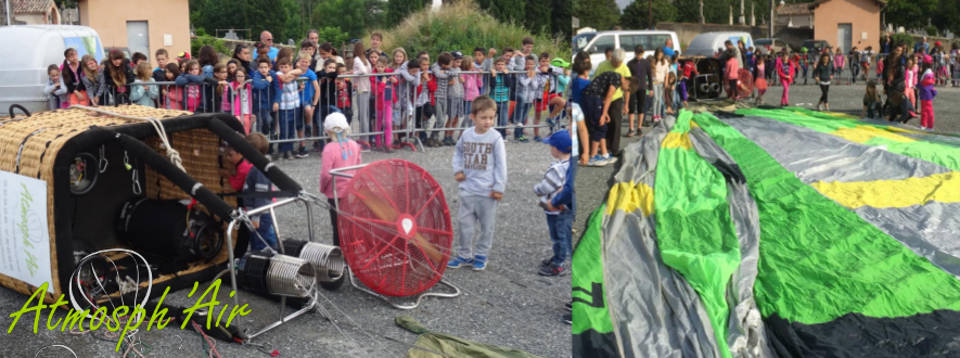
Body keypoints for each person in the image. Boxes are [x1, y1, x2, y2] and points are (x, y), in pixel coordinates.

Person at [449, 95, 507, 271]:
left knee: (486, 227)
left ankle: (481, 255)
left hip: (487, 192)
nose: (488, 121)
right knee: (464, 225)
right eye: (484, 118)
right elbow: (458, 153)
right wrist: (458, 170)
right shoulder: (466, 134)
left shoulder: (496, 138)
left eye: (491, 117)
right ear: (473, 117)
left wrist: (499, 187)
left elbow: (501, 165)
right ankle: (464, 254)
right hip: (468, 189)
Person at [319, 112, 363, 246]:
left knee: (337, 226)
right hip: (352, 191)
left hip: (336, 192)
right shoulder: (354, 145)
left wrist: (322, 188)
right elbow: (359, 167)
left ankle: (340, 252)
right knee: (352, 223)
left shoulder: (329, 149)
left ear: (328, 131)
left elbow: (326, 174)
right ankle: (353, 250)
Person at [534, 129, 573, 277]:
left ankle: (559, 263)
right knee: (562, 233)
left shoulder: (557, 169)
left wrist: (536, 189)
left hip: (554, 207)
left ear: (556, 149)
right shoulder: (570, 165)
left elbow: (545, 187)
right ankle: (558, 256)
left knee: (558, 235)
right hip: (566, 207)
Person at [241, 133, 278, 251]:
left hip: (260, 215)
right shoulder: (259, 167)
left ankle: (264, 266)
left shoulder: (259, 170)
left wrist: (256, 218)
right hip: (259, 214)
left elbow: (260, 196)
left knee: (261, 245)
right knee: (266, 240)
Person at [591, 48, 630, 157]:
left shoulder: (625, 68)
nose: (618, 64)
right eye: (616, 62)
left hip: (616, 98)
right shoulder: (603, 65)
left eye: (620, 62)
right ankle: (604, 146)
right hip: (602, 97)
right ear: (612, 58)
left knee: (616, 123)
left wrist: (626, 104)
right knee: (602, 122)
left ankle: (614, 149)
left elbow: (627, 88)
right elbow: (594, 81)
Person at [581, 68, 622, 167]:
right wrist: (603, 114)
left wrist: (605, 113)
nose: (623, 90)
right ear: (627, 83)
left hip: (594, 98)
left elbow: (605, 98)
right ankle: (593, 156)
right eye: (626, 89)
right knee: (599, 126)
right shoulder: (617, 79)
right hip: (593, 98)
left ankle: (604, 154)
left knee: (603, 126)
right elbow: (608, 97)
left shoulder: (614, 76)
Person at [272, 57, 304, 159]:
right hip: (284, 106)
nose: (284, 69)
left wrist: (291, 74)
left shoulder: (292, 72)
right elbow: (285, 80)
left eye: (286, 67)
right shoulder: (278, 74)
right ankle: (282, 150)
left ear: (290, 67)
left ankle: (289, 150)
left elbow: (300, 71)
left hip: (295, 105)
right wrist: (292, 75)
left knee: (291, 129)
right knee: (284, 129)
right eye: (281, 67)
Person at [294, 55, 320, 158]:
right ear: (298, 62)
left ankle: (308, 125)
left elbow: (317, 89)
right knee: (299, 125)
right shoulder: (295, 72)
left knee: (308, 110)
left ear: (309, 63)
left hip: (307, 100)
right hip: (296, 100)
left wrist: (314, 104)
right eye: (302, 61)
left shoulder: (311, 73)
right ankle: (302, 146)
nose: (304, 64)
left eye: (306, 62)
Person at [512, 55, 542, 142]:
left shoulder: (534, 73)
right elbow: (524, 83)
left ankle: (521, 134)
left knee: (524, 117)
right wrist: (530, 77)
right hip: (522, 98)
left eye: (531, 64)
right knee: (520, 117)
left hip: (530, 98)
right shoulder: (521, 73)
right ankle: (517, 135)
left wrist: (532, 77)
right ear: (525, 64)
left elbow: (535, 86)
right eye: (528, 64)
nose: (529, 66)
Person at [372, 55, 396, 152]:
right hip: (379, 103)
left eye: (382, 66)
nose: (380, 69)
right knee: (378, 123)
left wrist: (395, 80)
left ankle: (388, 144)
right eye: (378, 66)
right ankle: (378, 143)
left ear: (385, 66)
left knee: (388, 123)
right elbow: (376, 91)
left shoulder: (389, 73)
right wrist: (382, 83)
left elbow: (395, 80)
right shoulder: (373, 77)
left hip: (388, 101)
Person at [352, 42, 373, 146]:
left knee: (363, 115)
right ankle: (364, 138)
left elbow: (363, 71)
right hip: (367, 88)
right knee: (364, 114)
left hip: (361, 88)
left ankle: (364, 139)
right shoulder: (365, 60)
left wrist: (353, 73)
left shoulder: (357, 59)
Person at [442, 51, 464, 146]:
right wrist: (448, 83)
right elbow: (443, 81)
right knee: (450, 117)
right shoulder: (448, 69)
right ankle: (446, 136)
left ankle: (451, 135)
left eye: (460, 62)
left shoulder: (459, 69)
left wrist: (462, 80)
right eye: (456, 61)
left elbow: (461, 79)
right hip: (451, 95)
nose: (458, 64)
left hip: (459, 95)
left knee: (456, 117)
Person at [252, 57, 276, 140]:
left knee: (272, 122)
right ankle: (263, 137)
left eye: (265, 67)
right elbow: (258, 85)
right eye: (261, 67)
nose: (263, 69)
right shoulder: (256, 74)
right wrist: (267, 81)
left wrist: (277, 101)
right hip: (261, 104)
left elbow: (278, 87)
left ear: (269, 67)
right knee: (265, 121)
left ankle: (270, 141)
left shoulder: (272, 74)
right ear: (258, 68)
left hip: (272, 103)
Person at [489, 57, 513, 138]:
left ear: (505, 66)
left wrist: (506, 75)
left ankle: (502, 136)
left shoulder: (506, 74)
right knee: (490, 118)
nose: (500, 66)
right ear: (495, 66)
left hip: (504, 100)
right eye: (498, 64)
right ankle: (489, 135)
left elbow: (509, 84)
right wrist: (493, 76)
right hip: (493, 100)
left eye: (502, 64)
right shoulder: (493, 74)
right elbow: (492, 86)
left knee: (503, 120)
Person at [226, 68, 254, 134]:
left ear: (245, 76)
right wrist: (236, 91)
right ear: (235, 76)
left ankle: (244, 142)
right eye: (238, 76)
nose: (240, 78)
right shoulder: (231, 85)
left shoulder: (249, 86)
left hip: (246, 111)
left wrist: (253, 113)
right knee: (238, 127)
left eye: (242, 76)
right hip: (236, 112)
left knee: (246, 129)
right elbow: (229, 99)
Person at [651, 48, 669, 119]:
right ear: (656, 55)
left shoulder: (665, 62)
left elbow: (667, 73)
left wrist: (666, 82)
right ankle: (654, 115)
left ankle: (658, 115)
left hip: (661, 82)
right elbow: (652, 73)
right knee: (655, 98)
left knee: (659, 99)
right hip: (655, 82)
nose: (660, 57)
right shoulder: (653, 61)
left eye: (661, 55)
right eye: (658, 55)